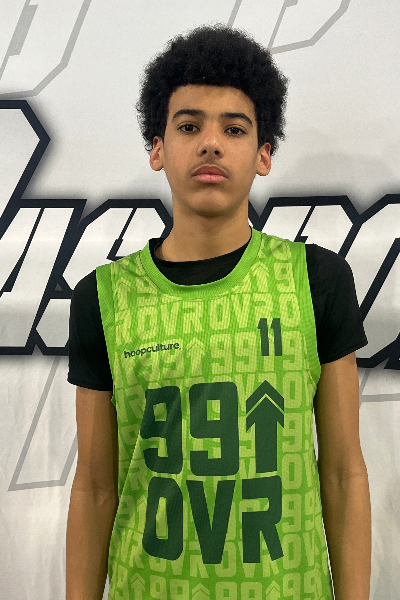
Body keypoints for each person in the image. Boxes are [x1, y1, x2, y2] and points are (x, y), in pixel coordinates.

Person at [66, 24, 371, 600]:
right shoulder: (104, 297)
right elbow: (96, 488)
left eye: (234, 128)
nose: (211, 143)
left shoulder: (315, 280)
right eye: (189, 126)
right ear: (157, 149)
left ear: (263, 154)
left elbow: (341, 473)